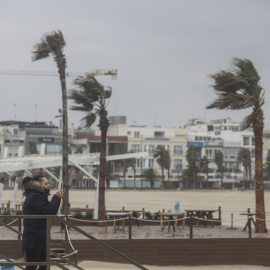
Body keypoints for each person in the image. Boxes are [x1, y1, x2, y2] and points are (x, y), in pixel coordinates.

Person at [22, 175, 65, 270]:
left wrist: (56, 197)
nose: (49, 185)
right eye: (46, 183)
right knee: (33, 265)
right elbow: (49, 212)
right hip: (34, 237)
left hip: (39, 236)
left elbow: (49, 211)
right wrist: (56, 197)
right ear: (38, 184)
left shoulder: (38, 196)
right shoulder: (34, 197)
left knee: (43, 264)